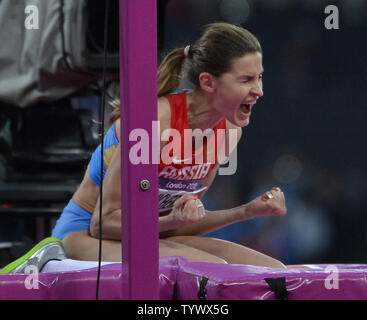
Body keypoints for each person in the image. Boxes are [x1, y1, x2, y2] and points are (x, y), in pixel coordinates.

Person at [16, 22, 287, 269]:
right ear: (208, 82)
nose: (259, 90)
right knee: (209, 270)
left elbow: (180, 226)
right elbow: (103, 224)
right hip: (83, 236)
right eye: (246, 80)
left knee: (271, 272)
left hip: (146, 236)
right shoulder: (151, 123)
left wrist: (248, 211)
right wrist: (171, 221)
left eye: (259, 77)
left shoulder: (229, 131)